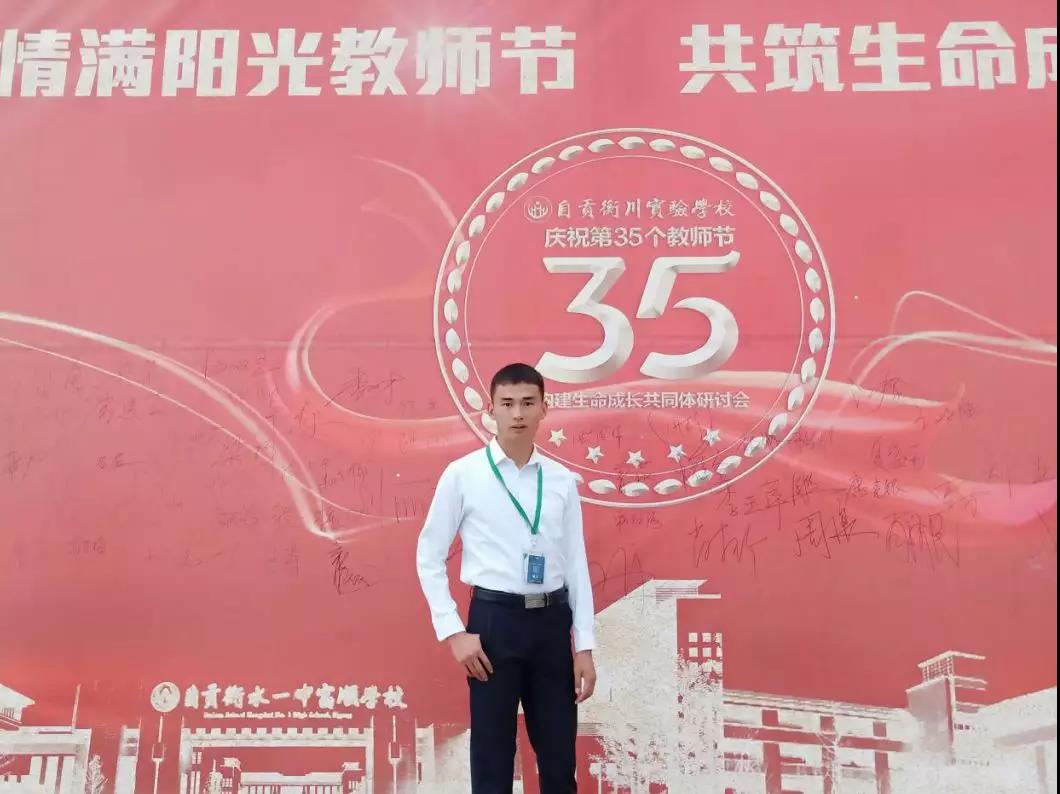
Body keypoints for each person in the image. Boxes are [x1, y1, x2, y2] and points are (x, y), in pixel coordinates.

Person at [416, 362, 596, 794]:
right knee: (492, 759)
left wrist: (585, 645)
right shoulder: (463, 474)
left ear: (544, 409)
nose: (518, 413)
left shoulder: (560, 480)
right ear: (490, 410)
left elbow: (576, 563)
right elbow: (428, 555)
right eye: (508, 403)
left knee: (558, 759)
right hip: (493, 624)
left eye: (528, 403)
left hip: (551, 625)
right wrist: (454, 632)